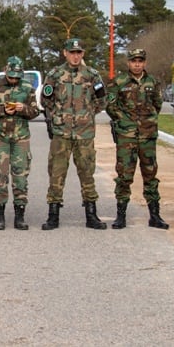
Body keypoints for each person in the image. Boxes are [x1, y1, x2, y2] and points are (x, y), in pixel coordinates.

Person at [40, 37, 107, 231]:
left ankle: (91, 214)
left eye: (78, 53)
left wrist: (87, 114)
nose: (75, 56)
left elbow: (101, 100)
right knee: (56, 173)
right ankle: (53, 215)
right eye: (72, 52)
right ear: (65, 53)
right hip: (61, 132)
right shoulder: (55, 74)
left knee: (87, 172)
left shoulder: (92, 75)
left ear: (82, 54)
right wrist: (59, 115)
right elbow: (46, 99)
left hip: (84, 133)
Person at [105, 49, 168, 230]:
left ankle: (154, 215)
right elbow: (110, 105)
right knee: (124, 175)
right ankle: (121, 215)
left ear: (145, 63)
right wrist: (125, 121)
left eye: (140, 61)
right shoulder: (119, 82)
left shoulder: (153, 82)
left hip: (148, 136)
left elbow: (158, 104)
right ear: (128, 63)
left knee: (150, 174)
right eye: (134, 61)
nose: (137, 64)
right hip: (127, 137)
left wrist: (147, 120)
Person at [0, 56, 40, 231]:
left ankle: (20, 216)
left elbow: (35, 111)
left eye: (17, 77)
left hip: (20, 137)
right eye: (11, 76)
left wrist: (23, 109)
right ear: (6, 71)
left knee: (20, 176)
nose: (14, 80)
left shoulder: (27, 88)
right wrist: (2, 110)